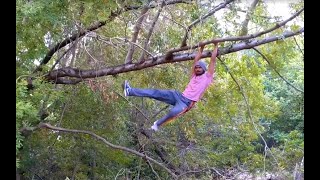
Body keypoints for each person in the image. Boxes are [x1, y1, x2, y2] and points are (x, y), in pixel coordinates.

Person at [123, 42, 219, 131]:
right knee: (155, 93)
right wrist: (201, 48)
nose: (197, 69)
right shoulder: (193, 75)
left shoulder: (207, 77)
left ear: (204, 69)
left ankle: (157, 125)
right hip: (178, 95)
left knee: (173, 113)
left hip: (185, 103)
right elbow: (196, 60)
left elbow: (213, 61)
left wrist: (216, 45)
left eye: (199, 68)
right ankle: (129, 91)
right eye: (196, 68)